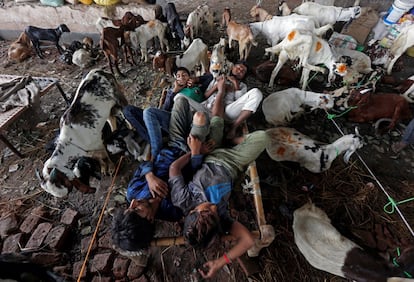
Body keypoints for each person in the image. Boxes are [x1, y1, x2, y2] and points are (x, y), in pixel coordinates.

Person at [168, 76, 270, 279]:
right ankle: (234, 139)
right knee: (264, 138)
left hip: (210, 154)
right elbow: (248, 240)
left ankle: (224, 107)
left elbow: (174, 169)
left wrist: (196, 152)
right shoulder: (220, 220)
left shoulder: (182, 199)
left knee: (215, 121)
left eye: (207, 210)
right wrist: (219, 262)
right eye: (215, 214)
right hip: (233, 163)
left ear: (192, 211)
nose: (214, 208)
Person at [178, 62, 263, 140]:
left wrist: (236, 85)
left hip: (227, 112)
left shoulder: (242, 85)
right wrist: (218, 86)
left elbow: (241, 104)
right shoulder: (217, 78)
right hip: (206, 108)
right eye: (238, 67)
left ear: (243, 76)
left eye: (243, 71)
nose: (240, 70)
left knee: (256, 92)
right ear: (232, 67)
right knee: (179, 97)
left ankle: (234, 127)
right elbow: (204, 96)